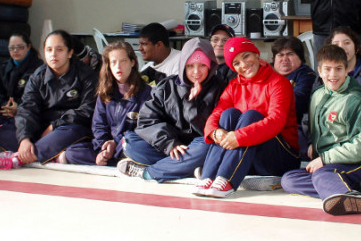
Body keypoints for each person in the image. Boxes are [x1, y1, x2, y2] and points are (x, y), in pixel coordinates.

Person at [280, 44, 361, 215]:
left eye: (338, 69)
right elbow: (314, 126)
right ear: (319, 71)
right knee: (289, 180)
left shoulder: (356, 100)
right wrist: (313, 143)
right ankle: (357, 188)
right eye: (327, 69)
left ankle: (344, 196)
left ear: (347, 70)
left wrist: (325, 159)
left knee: (322, 175)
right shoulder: (318, 94)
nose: (333, 75)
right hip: (332, 164)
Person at [195, 38, 300, 198]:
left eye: (246, 56)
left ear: (257, 55)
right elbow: (215, 114)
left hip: (280, 158)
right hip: (248, 157)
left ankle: (226, 178)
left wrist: (238, 137)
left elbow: (276, 121)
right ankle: (209, 176)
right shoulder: (233, 86)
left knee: (252, 116)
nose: (243, 65)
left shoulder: (279, 83)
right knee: (228, 114)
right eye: (236, 63)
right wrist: (215, 133)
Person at [0, 30, 97, 169]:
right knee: (4, 132)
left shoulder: (86, 74)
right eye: (49, 49)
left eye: (59, 49)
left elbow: (87, 110)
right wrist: (25, 138)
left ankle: (17, 158)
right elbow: (27, 107)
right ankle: (47, 153)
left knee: (73, 132)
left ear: (70, 53)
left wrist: (54, 126)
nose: (53, 54)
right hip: (42, 127)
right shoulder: (38, 75)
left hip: (68, 126)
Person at [118, 38, 224, 181]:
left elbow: (210, 130)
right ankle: (188, 167)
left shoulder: (220, 88)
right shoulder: (168, 86)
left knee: (208, 148)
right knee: (131, 143)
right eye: (190, 66)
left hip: (198, 145)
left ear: (211, 66)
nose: (196, 72)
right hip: (172, 144)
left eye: (202, 66)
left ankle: (148, 173)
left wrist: (193, 102)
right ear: (183, 66)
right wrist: (170, 144)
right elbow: (147, 120)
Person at [69, 41, 151, 166]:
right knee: (72, 152)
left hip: (127, 144)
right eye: (113, 62)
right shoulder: (106, 92)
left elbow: (143, 129)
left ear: (132, 62)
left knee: (132, 146)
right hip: (108, 146)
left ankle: (115, 161)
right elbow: (98, 124)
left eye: (123, 61)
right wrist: (104, 145)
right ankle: (114, 161)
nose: (118, 67)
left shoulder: (146, 93)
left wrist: (116, 143)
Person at [0, 32, 42, 126]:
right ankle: (12, 124)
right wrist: (5, 105)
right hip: (6, 109)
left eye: (20, 47)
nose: (15, 51)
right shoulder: (3, 66)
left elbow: (36, 97)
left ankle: (12, 124)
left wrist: (18, 107)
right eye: (11, 48)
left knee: (31, 117)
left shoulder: (38, 68)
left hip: (25, 109)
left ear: (28, 47)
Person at [271, 36, 317, 159]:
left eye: (290, 54)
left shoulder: (306, 75)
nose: (284, 58)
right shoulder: (266, 74)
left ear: (300, 58)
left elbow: (297, 102)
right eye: (280, 55)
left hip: (296, 127)